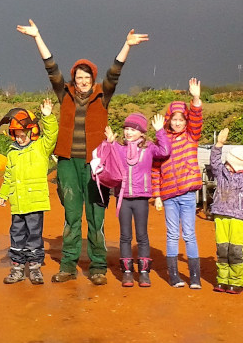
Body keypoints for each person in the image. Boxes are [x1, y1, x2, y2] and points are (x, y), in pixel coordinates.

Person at [15, 19, 148, 285]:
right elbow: (50, 67)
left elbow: (114, 74)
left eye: (87, 78)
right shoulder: (64, 95)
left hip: (97, 166)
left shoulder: (103, 96)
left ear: (92, 80)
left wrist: (126, 46)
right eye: (79, 78)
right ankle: (68, 265)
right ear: (74, 80)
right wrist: (37, 37)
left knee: (95, 215)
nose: (83, 82)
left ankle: (98, 266)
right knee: (72, 215)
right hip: (67, 163)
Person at [98, 112, 169, 287]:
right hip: (123, 198)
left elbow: (165, 151)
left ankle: (144, 272)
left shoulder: (149, 148)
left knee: (142, 236)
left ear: (142, 133)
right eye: (127, 129)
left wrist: (160, 131)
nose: (129, 133)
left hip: (141, 199)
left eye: (133, 129)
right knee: (125, 236)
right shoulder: (119, 147)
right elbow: (104, 159)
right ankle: (127, 272)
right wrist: (109, 143)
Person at [0, 99, 58, 285]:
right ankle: (17, 268)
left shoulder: (40, 148)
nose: (20, 138)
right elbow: (8, 176)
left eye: (24, 134)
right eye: (17, 135)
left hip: (35, 202)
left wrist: (48, 117)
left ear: (31, 133)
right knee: (16, 235)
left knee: (34, 236)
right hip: (18, 204)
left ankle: (34, 268)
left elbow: (51, 136)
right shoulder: (12, 153)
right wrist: (3, 193)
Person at [151, 77, 205, 289]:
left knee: (189, 234)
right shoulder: (162, 141)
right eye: (174, 119)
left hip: (188, 195)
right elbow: (155, 171)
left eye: (181, 119)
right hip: (169, 196)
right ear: (168, 119)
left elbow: (197, 119)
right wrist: (156, 196)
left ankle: (194, 277)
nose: (178, 122)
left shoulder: (191, 136)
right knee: (172, 234)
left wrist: (196, 98)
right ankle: (173, 275)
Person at [208, 127, 243, 295]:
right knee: (222, 249)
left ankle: (236, 281)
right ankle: (222, 280)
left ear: (238, 163)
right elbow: (214, 161)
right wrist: (219, 143)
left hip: (238, 218)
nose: (226, 165)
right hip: (220, 215)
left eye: (230, 163)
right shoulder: (222, 173)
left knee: (235, 251)